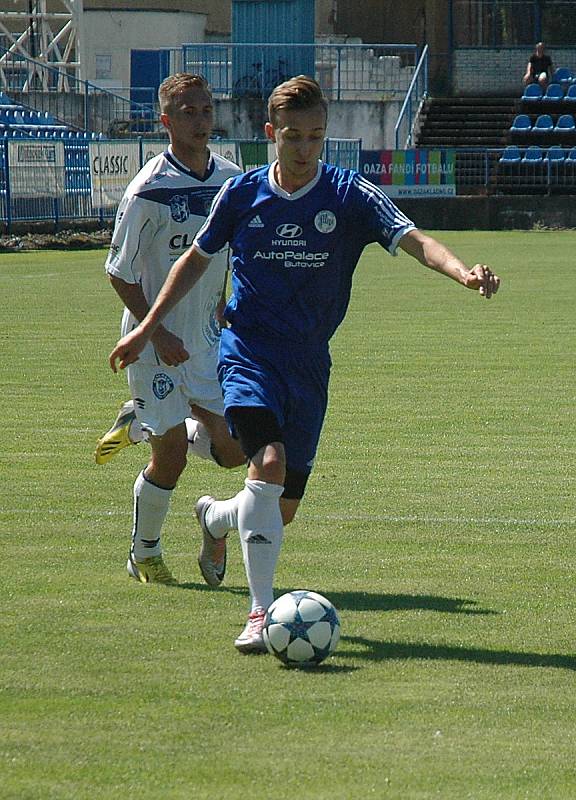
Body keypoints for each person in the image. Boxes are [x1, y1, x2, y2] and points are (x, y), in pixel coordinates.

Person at [108, 75, 501, 653]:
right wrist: (147, 326)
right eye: (293, 136)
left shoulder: (347, 195)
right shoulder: (242, 193)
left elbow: (414, 239)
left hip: (308, 366)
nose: (304, 148)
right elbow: (195, 260)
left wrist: (462, 271)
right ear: (272, 134)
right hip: (245, 354)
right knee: (265, 459)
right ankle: (260, 614)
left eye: (316, 137)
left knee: (278, 508)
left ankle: (215, 520)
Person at [103, 72, 249, 587]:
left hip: (208, 343)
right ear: (166, 122)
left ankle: (144, 422)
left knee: (234, 451)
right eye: (188, 112)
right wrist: (154, 331)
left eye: (206, 110)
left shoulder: (231, 178)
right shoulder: (149, 190)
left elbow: (230, 250)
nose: (201, 120)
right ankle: (144, 552)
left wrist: (227, 303)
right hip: (153, 346)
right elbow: (118, 270)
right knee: (170, 460)